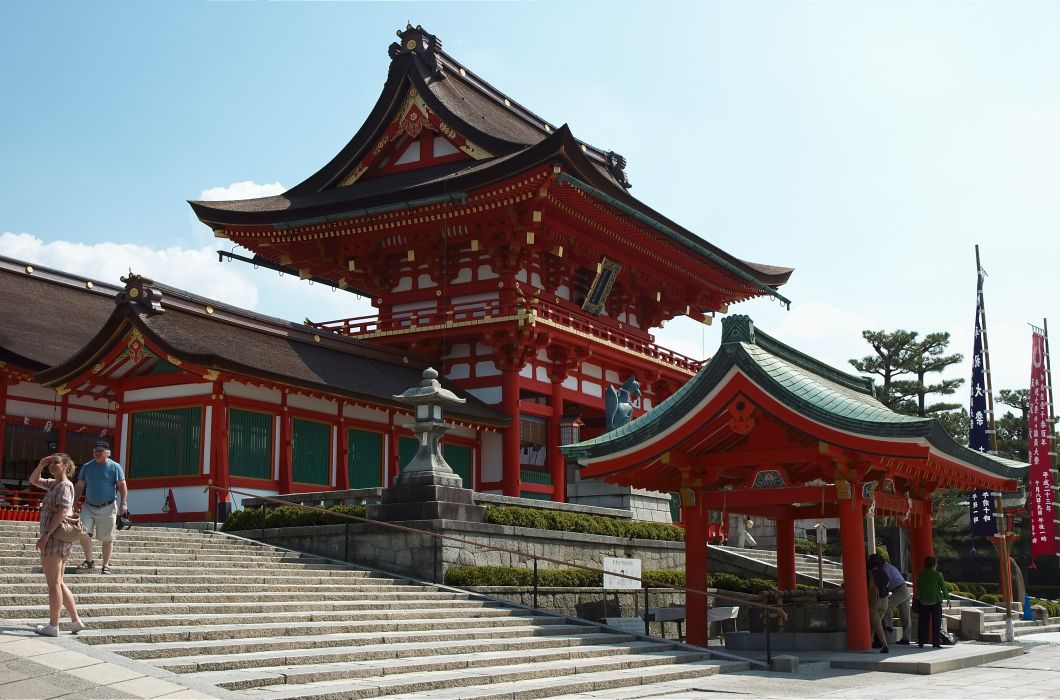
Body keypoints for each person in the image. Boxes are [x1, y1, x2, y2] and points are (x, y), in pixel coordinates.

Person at [28, 453, 86, 636]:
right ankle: (75, 621)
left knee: (53, 584)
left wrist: (45, 535)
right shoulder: (53, 484)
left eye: (56, 463)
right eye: (51, 463)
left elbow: (62, 512)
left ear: (66, 466)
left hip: (54, 540)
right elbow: (33, 480)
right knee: (59, 583)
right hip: (57, 539)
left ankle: (53, 625)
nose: (52, 465)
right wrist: (41, 463)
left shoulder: (64, 486)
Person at [72, 440, 127, 575]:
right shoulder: (87, 467)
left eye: (100, 451)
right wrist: (73, 501)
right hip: (89, 506)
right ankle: (89, 561)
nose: (96, 453)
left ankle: (106, 564)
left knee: (107, 538)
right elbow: (80, 485)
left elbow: (122, 485)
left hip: (108, 506)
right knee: (82, 531)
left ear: (107, 453)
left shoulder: (115, 467)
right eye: (95, 451)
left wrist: (123, 503)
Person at [869, 552, 912, 645]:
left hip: (899, 590)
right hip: (903, 589)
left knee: (887, 605)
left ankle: (889, 625)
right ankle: (906, 638)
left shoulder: (885, 568)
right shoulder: (888, 567)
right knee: (905, 616)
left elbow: (885, 583)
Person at [916, 555, 949, 648]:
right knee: (936, 623)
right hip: (935, 601)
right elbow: (943, 587)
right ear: (934, 564)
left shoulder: (920, 574)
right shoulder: (938, 574)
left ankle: (921, 641)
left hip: (922, 601)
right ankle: (936, 643)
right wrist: (948, 598)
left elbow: (918, 586)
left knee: (922, 622)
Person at [867, 562, 889, 653]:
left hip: (875, 600)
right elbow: (888, 582)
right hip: (885, 600)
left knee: (876, 624)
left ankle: (885, 645)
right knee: (874, 623)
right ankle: (869, 641)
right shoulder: (884, 572)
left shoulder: (870, 573)